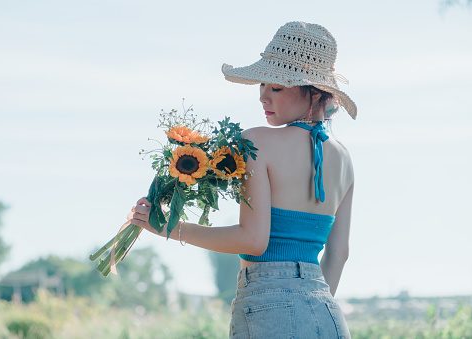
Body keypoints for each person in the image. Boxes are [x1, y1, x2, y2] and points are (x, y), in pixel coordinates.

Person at [129, 21, 356, 338]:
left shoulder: (256, 143)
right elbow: (338, 254)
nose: (263, 97)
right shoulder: (344, 159)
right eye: (261, 85)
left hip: (271, 309)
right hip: (326, 311)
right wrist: (306, 305)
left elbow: (253, 240)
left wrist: (170, 228)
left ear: (315, 93)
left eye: (276, 87)